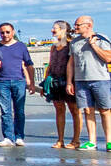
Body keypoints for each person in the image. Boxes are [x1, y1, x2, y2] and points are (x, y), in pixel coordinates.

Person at [0, 22, 37, 146]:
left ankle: (19, 136)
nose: (5, 35)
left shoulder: (21, 46)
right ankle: (8, 137)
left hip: (19, 81)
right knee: (5, 111)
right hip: (1, 82)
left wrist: (32, 83)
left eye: (7, 32)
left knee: (19, 110)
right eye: (2, 32)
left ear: (13, 32)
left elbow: (29, 64)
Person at [66, 14, 111, 151]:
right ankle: (92, 141)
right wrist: (69, 82)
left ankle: (109, 141)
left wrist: (94, 46)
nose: (75, 27)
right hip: (81, 81)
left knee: (105, 110)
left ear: (89, 25)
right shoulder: (74, 42)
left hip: (100, 79)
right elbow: (71, 63)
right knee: (87, 110)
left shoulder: (101, 39)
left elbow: (108, 58)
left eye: (78, 25)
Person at [46, 20, 78, 149]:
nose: (52, 31)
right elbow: (50, 64)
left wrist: (71, 82)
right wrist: (46, 82)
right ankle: (60, 140)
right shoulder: (53, 47)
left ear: (64, 30)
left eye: (55, 29)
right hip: (55, 80)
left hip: (69, 80)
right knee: (59, 110)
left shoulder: (71, 45)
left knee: (74, 110)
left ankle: (76, 140)